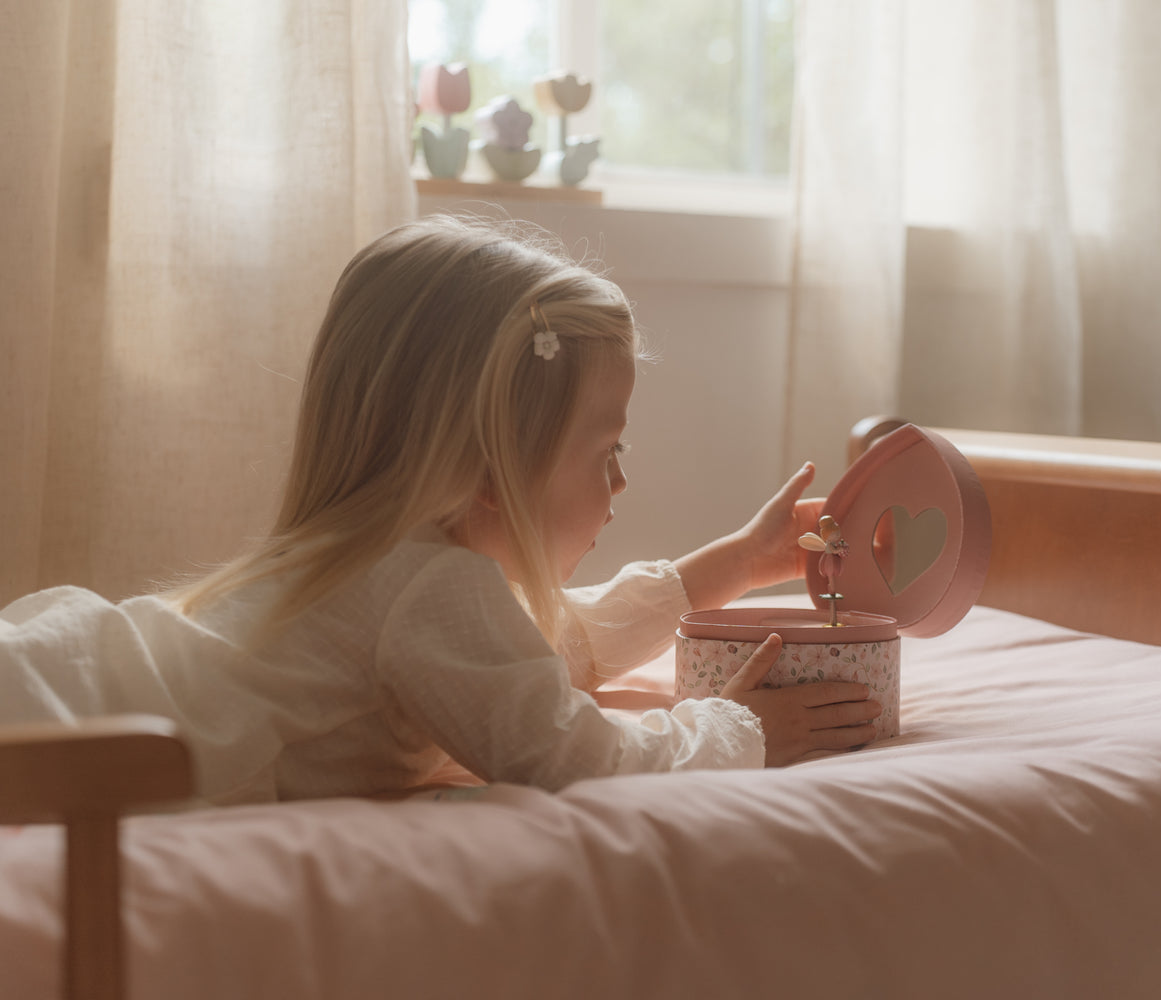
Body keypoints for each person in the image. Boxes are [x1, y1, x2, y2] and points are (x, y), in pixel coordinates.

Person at [0, 215, 879, 806]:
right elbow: (575, 757)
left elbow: (531, 652)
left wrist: (725, 566)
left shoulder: (387, 573)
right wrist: (736, 729)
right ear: (492, 472)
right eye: (606, 452)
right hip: (53, 718)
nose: (619, 484)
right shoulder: (428, 591)